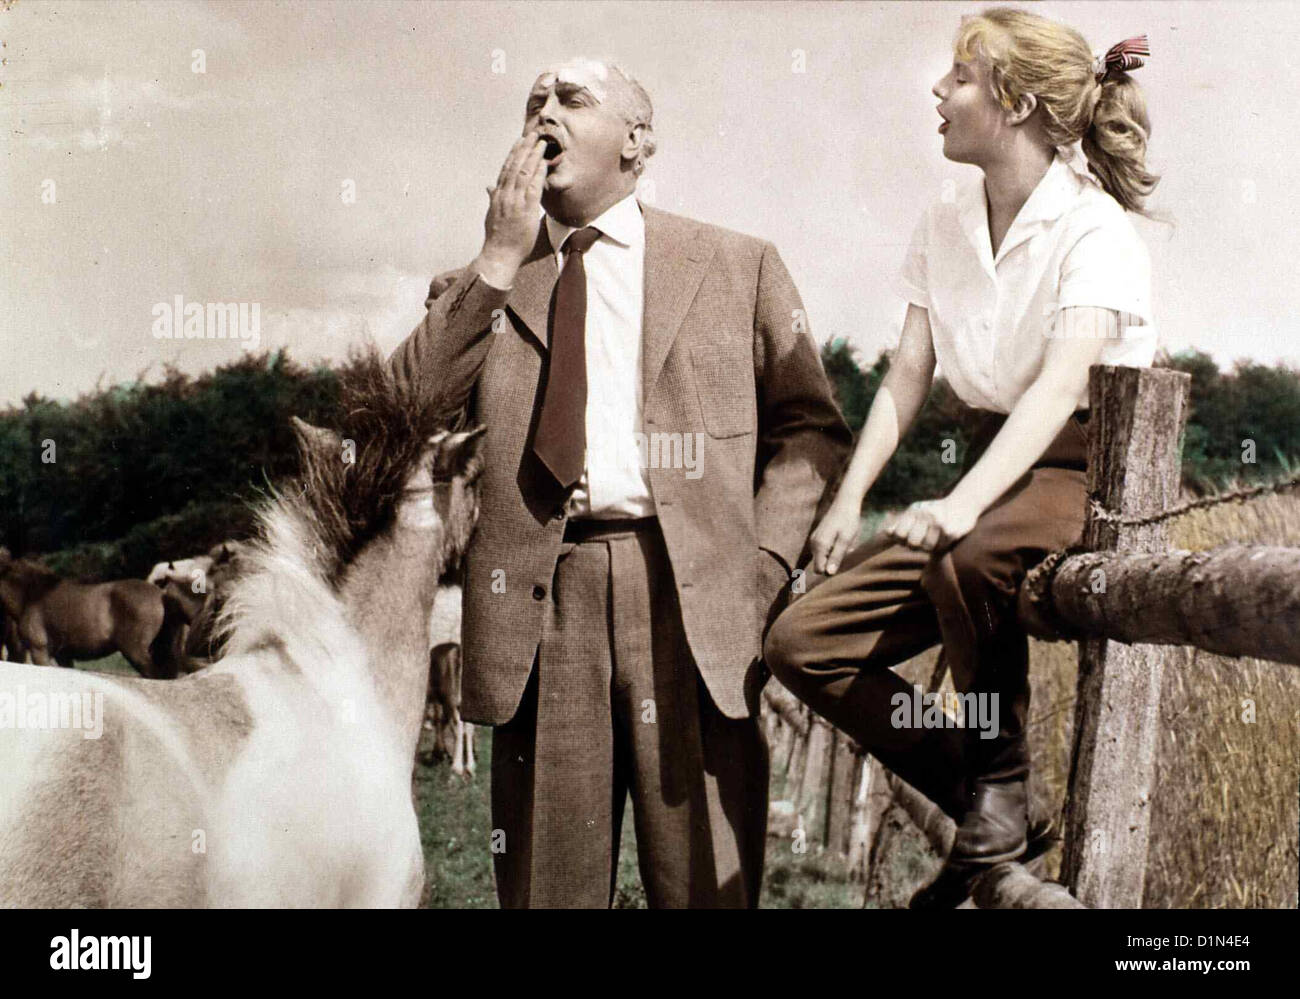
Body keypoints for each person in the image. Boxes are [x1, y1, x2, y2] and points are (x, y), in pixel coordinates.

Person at [389, 57, 851, 908]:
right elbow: (398, 412)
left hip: (698, 606)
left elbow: (812, 429)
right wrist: (496, 259)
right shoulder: (481, 286)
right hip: (541, 606)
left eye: (571, 98)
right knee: (547, 890)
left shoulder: (737, 265)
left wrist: (762, 565)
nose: (542, 113)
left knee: (708, 884)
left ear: (638, 141)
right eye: (532, 101)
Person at [763, 7, 1158, 907]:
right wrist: (847, 496)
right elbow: (907, 372)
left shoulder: (1094, 229)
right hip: (997, 462)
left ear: (1013, 103)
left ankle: (996, 791)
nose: (938, 92)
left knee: (964, 550)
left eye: (960, 77)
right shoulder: (945, 215)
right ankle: (990, 797)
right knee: (802, 643)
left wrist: (961, 505)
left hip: (1091, 465)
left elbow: (1063, 388)